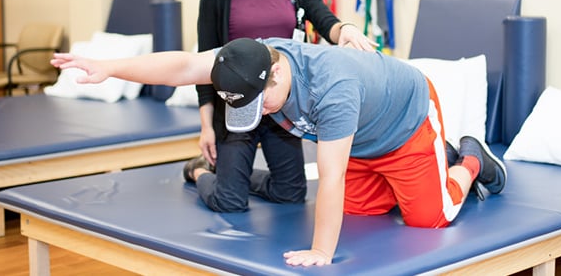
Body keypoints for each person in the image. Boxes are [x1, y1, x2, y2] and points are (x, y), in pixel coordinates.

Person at [51, 37, 507, 268]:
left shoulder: (333, 89)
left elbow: (329, 177)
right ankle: (436, 159)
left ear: (275, 74)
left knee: (428, 217)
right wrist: (107, 67)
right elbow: (187, 65)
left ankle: (468, 159)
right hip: (360, 142)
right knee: (365, 212)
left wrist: (321, 251)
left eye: (262, 104)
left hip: (405, 123)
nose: (263, 112)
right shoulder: (246, 60)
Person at [192, 0, 375, 213]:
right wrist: (207, 127)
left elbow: (325, 21)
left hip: (283, 107)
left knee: (290, 193)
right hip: (237, 109)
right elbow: (206, 63)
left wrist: (345, 29)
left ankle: (233, 176)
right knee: (229, 201)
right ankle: (200, 172)